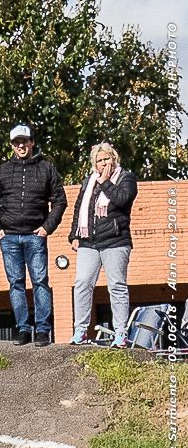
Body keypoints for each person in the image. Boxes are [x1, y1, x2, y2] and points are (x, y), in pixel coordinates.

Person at [0, 124, 67, 346]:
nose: (21, 145)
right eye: (16, 142)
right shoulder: (2, 170)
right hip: (9, 237)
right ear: (12, 145)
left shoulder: (47, 168)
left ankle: (42, 330)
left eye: (25, 141)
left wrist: (46, 228)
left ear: (32, 142)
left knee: (40, 281)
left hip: (35, 236)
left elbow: (60, 200)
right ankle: (22, 329)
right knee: (16, 283)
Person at [68, 143, 138, 347]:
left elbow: (122, 199)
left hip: (116, 241)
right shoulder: (88, 182)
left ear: (114, 158)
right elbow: (80, 207)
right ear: (94, 164)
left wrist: (106, 182)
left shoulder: (126, 178)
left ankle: (121, 333)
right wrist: (74, 234)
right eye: (99, 160)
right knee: (82, 283)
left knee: (116, 285)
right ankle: (80, 330)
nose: (103, 163)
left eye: (106, 158)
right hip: (89, 241)